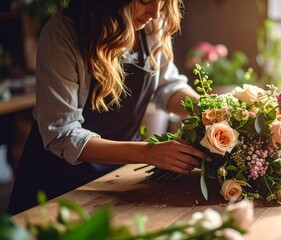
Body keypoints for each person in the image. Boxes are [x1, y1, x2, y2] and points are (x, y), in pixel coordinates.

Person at [8, 0, 210, 215]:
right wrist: (148, 152)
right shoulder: (63, 33)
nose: (155, 12)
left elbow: (166, 87)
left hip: (113, 174)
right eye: (145, 1)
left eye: (162, 2)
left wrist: (210, 110)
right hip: (57, 180)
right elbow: (63, 134)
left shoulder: (151, 24)